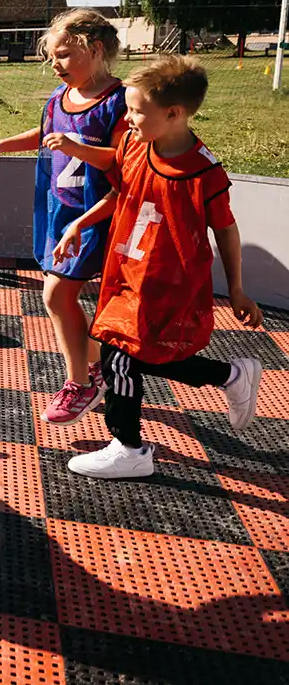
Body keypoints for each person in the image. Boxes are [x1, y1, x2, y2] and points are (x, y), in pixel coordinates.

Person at [54, 55, 262, 478]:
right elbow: (122, 193)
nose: (128, 118)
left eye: (136, 111)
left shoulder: (204, 172)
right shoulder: (135, 145)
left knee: (124, 356)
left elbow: (226, 230)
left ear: (173, 114)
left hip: (168, 284)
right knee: (125, 354)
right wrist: (79, 222)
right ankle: (228, 376)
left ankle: (129, 447)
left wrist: (237, 288)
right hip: (127, 271)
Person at [0, 9, 127, 425]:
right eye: (53, 56)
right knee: (62, 295)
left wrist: (78, 149)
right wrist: (4, 144)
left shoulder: (119, 102)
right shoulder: (58, 99)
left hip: (97, 213)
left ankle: (80, 383)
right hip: (58, 211)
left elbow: (121, 158)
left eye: (63, 54)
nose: (55, 64)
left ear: (95, 50)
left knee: (56, 296)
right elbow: (44, 135)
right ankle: (95, 368)